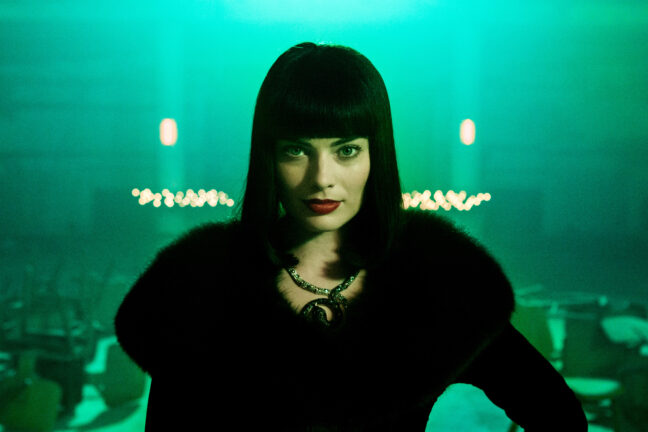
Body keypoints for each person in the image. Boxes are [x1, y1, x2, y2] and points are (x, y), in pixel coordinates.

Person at [114, 42, 587, 431]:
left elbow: (558, 414)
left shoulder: (435, 282)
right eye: (297, 150)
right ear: (268, 158)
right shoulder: (201, 288)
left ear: (375, 156)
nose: (322, 178)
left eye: (346, 150)